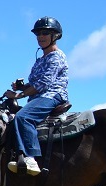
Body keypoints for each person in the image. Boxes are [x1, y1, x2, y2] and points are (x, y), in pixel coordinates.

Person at [5, 17, 68, 176]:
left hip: (52, 95)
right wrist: (22, 87)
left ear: (55, 35)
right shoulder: (40, 60)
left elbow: (44, 84)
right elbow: (36, 84)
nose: (40, 36)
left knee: (23, 117)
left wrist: (19, 95)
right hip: (40, 96)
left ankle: (31, 159)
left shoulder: (56, 57)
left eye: (45, 33)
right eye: (38, 33)